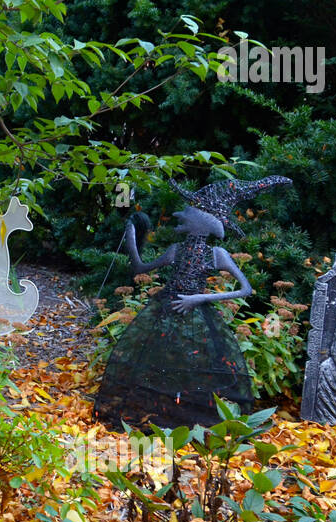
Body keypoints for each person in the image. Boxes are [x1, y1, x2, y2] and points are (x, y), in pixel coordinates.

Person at [94, 175, 291, 429]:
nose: (183, 213)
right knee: (160, 359)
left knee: (196, 361)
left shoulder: (217, 254)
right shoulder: (176, 250)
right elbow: (140, 268)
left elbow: (245, 289)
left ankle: (188, 414)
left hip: (197, 313)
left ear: (203, 222)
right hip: (166, 308)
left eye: (192, 210)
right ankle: (161, 408)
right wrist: (132, 236)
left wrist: (200, 298)